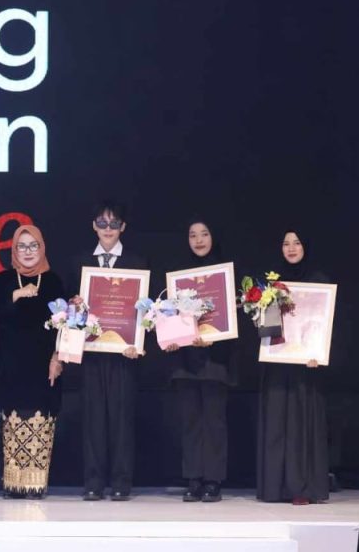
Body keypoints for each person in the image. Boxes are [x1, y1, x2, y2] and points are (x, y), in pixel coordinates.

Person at [72, 201, 148, 501]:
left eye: (113, 223)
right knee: (93, 420)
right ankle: (93, 482)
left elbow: (146, 311)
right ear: (94, 226)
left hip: (123, 354)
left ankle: (120, 482)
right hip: (91, 352)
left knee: (122, 420)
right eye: (102, 223)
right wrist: (75, 307)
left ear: (123, 227)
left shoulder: (137, 263)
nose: (108, 229)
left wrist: (137, 342)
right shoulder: (80, 263)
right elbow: (69, 310)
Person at [0, 224, 66, 498]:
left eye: (33, 246)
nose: (28, 251)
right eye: (22, 246)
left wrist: (58, 358)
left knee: (40, 425)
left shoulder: (53, 282)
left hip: (44, 366)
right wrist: (15, 295)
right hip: (11, 366)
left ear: (42, 248)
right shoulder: (4, 279)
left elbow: (64, 326)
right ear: (14, 250)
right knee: (14, 426)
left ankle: (35, 484)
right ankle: (15, 485)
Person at [164, 219, 237, 503]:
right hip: (186, 360)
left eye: (204, 234)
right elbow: (168, 316)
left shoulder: (225, 274)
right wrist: (172, 337)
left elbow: (232, 320)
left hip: (216, 360)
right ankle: (193, 479)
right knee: (191, 422)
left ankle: (213, 480)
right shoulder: (178, 275)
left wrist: (214, 337)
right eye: (192, 235)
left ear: (213, 237)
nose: (198, 240)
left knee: (214, 423)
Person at [257, 229, 330, 505]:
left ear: (305, 246)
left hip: (306, 367)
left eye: (297, 243)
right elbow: (264, 327)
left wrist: (318, 353)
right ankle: (274, 487)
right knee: (277, 424)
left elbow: (325, 326)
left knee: (302, 426)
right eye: (285, 243)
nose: (291, 248)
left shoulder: (319, 282)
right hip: (278, 363)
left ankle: (302, 487)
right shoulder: (271, 283)